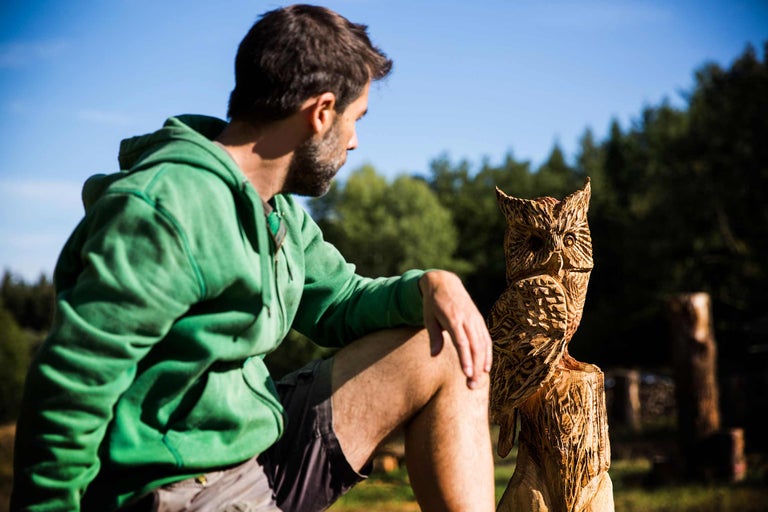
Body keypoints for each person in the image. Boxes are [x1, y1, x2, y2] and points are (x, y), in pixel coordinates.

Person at [11, 4, 495, 511]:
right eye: (355, 120)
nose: (354, 142)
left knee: (443, 345)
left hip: (259, 444)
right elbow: (71, 384)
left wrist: (429, 286)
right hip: (180, 489)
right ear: (322, 112)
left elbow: (339, 305)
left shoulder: (276, 206)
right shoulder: (166, 210)